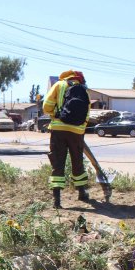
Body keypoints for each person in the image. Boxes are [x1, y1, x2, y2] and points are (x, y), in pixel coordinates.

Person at [43, 70, 90, 208]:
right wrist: (80, 129)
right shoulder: (84, 91)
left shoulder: (59, 85)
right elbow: (87, 113)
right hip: (77, 132)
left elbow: (46, 107)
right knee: (77, 161)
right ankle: (82, 193)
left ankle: (57, 201)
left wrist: (56, 115)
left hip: (58, 131)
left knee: (58, 163)